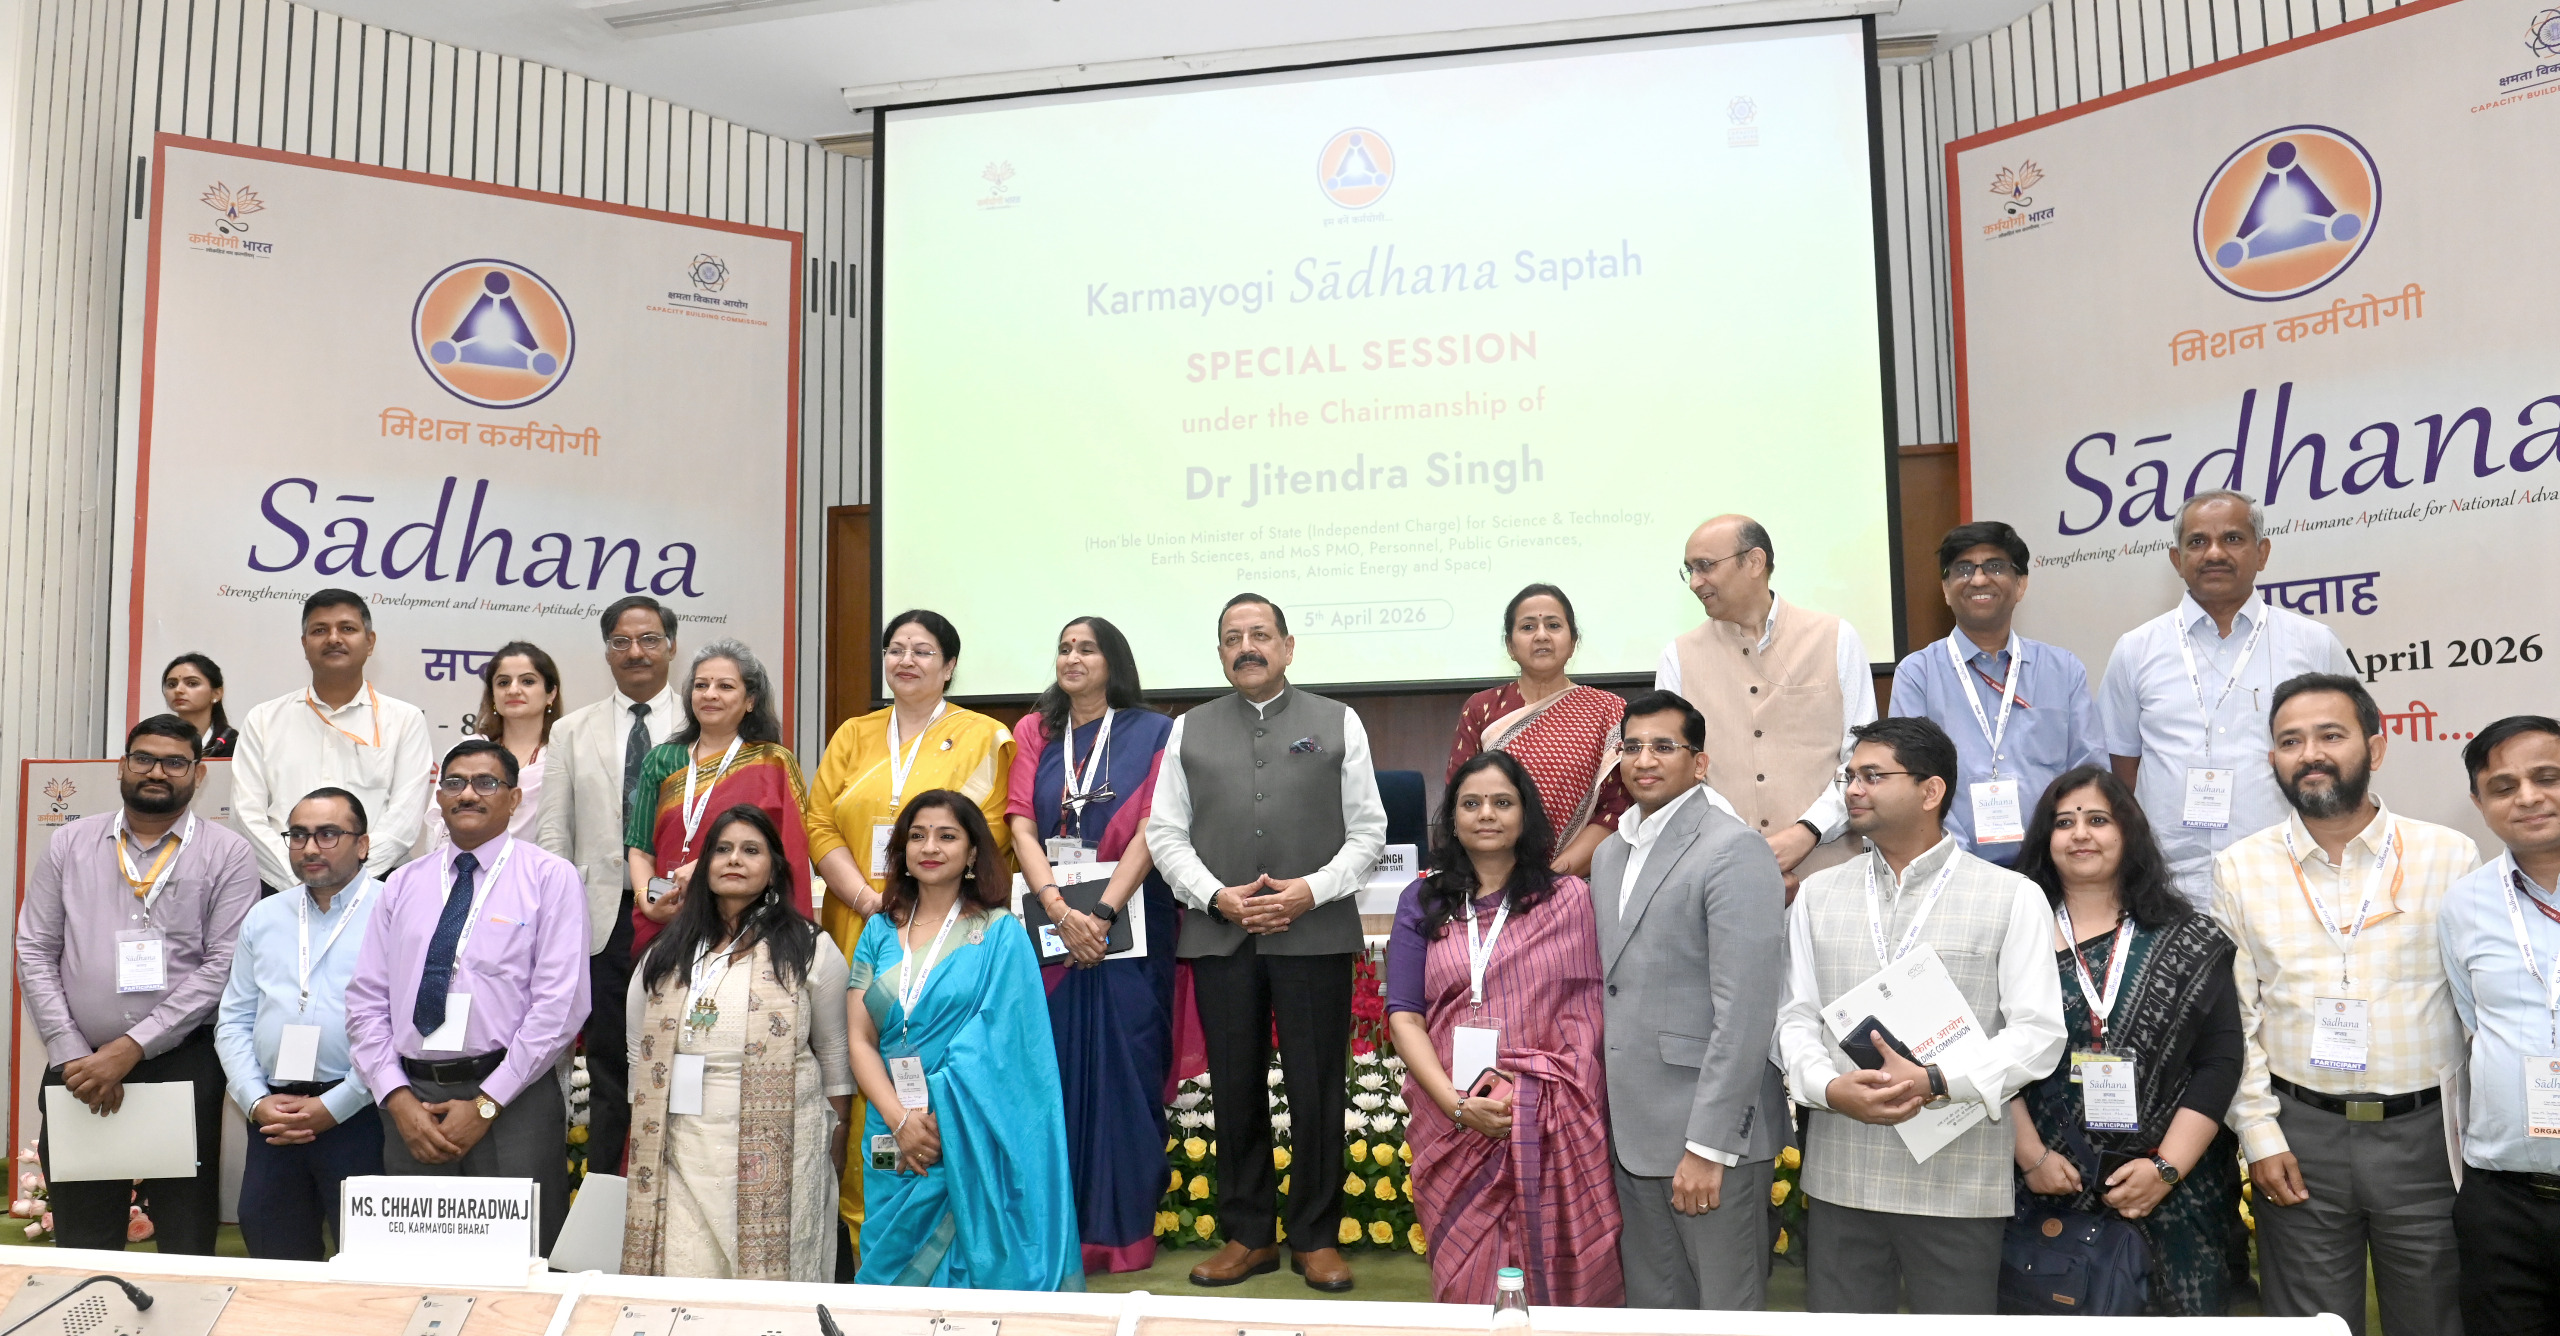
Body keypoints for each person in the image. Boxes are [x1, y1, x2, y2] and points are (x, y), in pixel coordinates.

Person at [2211, 672, 2477, 1336]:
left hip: (2425, 1138)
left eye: (2331, 735)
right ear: (2273, 759)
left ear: (2375, 748)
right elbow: (2235, 1019)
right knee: (2312, 1326)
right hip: (2300, 1137)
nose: (2311, 754)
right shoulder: (2240, 868)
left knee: (2435, 1320)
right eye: (2290, 741)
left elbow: (2478, 1006)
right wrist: (2259, 1134)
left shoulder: (2449, 855)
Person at [1775, 717, 2067, 1314]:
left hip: (1958, 1182)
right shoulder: (1818, 895)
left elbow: (2038, 1034)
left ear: (1931, 790)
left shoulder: (2011, 896)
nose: (1854, 790)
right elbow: (1793, 1017)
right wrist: (1828, 1088)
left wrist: (1937, 1080)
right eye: (1850, 777)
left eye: (1873, 776)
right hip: (1843, 1174)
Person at [1147, 593, 1386, 1293]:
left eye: (1259, 634)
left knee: (1318, 1088)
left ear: (1288, 646)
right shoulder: (1188, 729)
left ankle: (1316, 1237)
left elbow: (1368, 831)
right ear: (1220, 652)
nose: (1246, 647)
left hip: (1313, 930)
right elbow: (1165, 832)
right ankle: (1248, 1235)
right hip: (1222, 932)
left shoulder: (1338, 721)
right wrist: (1215, 896)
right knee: (1234, 1087)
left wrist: (1311, 890)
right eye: (1232, 637)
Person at [804, 608, 1015, 1262]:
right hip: (861, 924)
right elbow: (819, 825)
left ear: (949, 667)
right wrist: (872, 901)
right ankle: (863, 1241)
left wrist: (911, 898)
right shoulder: (853, 734)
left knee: (932, 1062)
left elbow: (987, 832)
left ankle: (950, 1251)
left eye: (923, 651)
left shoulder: (984, 737)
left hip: (943, 933)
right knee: (855, 1064)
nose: (907, 661)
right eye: (896, 649)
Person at [15, 715, 258, 1253]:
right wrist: (71, 1052)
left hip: (182, 1062)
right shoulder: (70, 843)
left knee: (184, 1237)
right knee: (84, 1236)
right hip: (79, 1066)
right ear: (122, 766)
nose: (157, 772)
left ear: (198, 775)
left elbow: (224, 964)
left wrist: (130, 1048)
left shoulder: (228, 853)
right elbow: (34, 948)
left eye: (175, 763)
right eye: (144, 758)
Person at [1391, 750, 1625, 1306]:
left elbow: (1587, 1013)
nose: (1486, 815)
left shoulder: (1568, 899)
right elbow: (1404, 1015)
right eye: (1471, 804)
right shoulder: (1423, 900)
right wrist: (1456, 1105)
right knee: (1464, 1274)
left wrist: (1530, 1093)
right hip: (1448, 1115)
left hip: (1547, 1114)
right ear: (1452, 819)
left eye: (1502, 802)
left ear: (1525, 815)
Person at [2008, 766, 2244, 1315]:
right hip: (2047, 1187)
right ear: (2045, 839)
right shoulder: (2014, 935)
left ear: (2128, 832)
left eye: (2098, 820)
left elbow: (2219, 1061)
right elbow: (1988, 1046)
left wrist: (2166, 1169)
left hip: (2177, 1194)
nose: (2080, 834)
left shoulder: (2190, 937)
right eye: (2063, 823)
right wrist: (2031, 1156)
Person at [345, 738, 591, 1251]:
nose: (468, 794)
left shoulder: (550, 878)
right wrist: (396, 1098)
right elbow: (366, 1001)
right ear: (439, 797)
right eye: (454, 782)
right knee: (418, 1264)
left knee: (518, 1265)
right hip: (413, 1104)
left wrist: (486, 1104)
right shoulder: (402, 884)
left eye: (486, 783)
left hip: (512, 1097)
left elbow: (560, 1007)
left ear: (514, 798)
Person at [1586, 691, 1788, 1311]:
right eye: (1632, 746)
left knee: (1726, 1310)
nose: (1644, 759)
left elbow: (1746, 1013)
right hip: (1633, 1132)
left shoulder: (1733, 848)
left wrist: (1709, 1146)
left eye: (1663, 746)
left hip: (1709, 1140)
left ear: (1699, 763)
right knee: (1655, 1310)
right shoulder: (1609, 854)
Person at [848, 790, 1080, 1290]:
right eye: (917, 836)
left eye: (947, 836)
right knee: (889, 1276)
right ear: (902, 851)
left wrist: (942, 1116)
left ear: (973, 852)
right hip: (891, 1125)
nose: (930, 847)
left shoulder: (999, 933)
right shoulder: (878, 931)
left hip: (966, 1132)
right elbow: (859, 1039)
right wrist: (900, 1118)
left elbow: (1013, 1051)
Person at [1004, 616, 1178, 1275]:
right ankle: (1058, 1230)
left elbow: (1156, 827)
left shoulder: (1156, 732)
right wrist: (1058, 908)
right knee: (1052, 1070)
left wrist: (1101, 913)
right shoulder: (1035, 731)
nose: (1072, 657)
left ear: (1114, 662)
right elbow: (1021, 824)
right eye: (1064, 648)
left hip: (1132, 924)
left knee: (1128, 1070)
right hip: (1050, 921)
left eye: (1087, 649)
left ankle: (1122, 1234)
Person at [622, 805, 853, 1281]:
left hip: (783, 1153)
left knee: (768, 1294)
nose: (735, 860)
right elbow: (637, 1055)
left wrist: (837, 1137)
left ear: (774, 868)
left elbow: (834, 1054)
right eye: (723, 849)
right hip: (683, 1147)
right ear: (705, 864)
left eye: (751, 850)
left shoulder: (809, 948)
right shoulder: (665, 954)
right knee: (688, 1280)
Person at [2099, 492, 2356, 905]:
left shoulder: (2313, 644)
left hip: (2287, 879)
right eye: (2197, 542)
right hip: (2169, 886)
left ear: (2262, 553)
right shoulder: (2135, 650)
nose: (2214, 553)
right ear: (2177, 559)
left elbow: (2348, 754)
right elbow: (2122, 769)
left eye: (2232, 539)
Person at [538, 595, 683, 1182]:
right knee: (606, 1067)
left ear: (671, 646)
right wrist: (559, 916)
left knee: (681, 1060)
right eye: (621, 641)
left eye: (649, 639)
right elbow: (554, 832)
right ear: (606, 652)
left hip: (682, 915)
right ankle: (605, 1202)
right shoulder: (571, 730)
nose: (635, 652)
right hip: (601, 920)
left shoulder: (703, 722)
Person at [1656, 514, 1877, 893]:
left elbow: (1861, 756)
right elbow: (1677, 769)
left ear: (1754, 562)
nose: (1695, 582)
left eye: (1705, 566)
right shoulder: (1678, 657)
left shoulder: (1835, 638)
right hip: (1720, 875)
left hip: (1833, 873)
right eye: (1689, 570)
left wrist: (1809, 830)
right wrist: (1742, 846)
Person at [214, 788, 383, 1260]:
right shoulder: (265, 915)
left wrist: (338, 1104)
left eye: (328, 834)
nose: (310, 848)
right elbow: (234, 1019)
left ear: (363, 844)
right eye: (299, 835)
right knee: (275, 1255)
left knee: (369, 1265)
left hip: (362, 1114)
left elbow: (402, 1028)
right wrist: (255, 1101)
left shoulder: (393, 911)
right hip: (275, 1115)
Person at [1890, 522, 2104, 867]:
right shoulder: (1917, 674)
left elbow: (2089, 773)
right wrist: (1961, 862)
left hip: (2052, 868)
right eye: (1963, 569)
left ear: (2021, 584)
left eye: (1995, 566)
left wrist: (2056, 850)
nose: (1978, 579)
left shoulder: (2063, 670)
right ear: (1945, 589)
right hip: (1953, 868)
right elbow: (1910, 779)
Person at [2442, 716, 2560, 1333]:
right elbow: (2473, 1020)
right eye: (2504, 786)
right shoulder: (2465, 904)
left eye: (2548, 777)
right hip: (2504, 1201)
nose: (2529, 797)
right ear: (2479, 802)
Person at [233, 588, 435, 888]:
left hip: (375, 887)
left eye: (347, 628)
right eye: (319, 630)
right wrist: (299, 878)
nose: (333, 638)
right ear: (305, 644)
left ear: (370, 642)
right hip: (281, 887)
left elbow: (402, 822)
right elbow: (246, 815)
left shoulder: (405, 720)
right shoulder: (263, 719)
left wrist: (349, 880)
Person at [627, 639, 812, 960]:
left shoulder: (773, 762)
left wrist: (703, 869)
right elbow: (641, 849)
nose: (710, 694)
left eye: (725, 686)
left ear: (750, 700)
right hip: (669, 919)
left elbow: (788, 852)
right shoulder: (661, 760)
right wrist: (647, 900)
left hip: (750, 925)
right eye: (701, 685)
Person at [1446, 584, 1633, 877]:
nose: (1542, 635)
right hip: (1494, 882)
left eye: (1554, 625)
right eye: (1528, 627)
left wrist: (1553, 881)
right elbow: (1460, 802)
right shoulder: (1482, 709)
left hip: (1579, 884)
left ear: (1573, 642)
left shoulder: (1608, 711)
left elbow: (1617, 807)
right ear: (1510, 646)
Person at [424, 641, 561, 850]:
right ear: (493, 695)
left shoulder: (562, 758)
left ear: (551, 693)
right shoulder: (467, 754)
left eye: (527, 681)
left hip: (539, 867)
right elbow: (440, 827)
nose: (513, 690)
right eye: (503, 682)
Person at [161, 653, 236, 758]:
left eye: (192, 683)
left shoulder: (235, 745)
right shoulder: (157, 742)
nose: (178, 690)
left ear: (217, 693)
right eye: (172, 684)